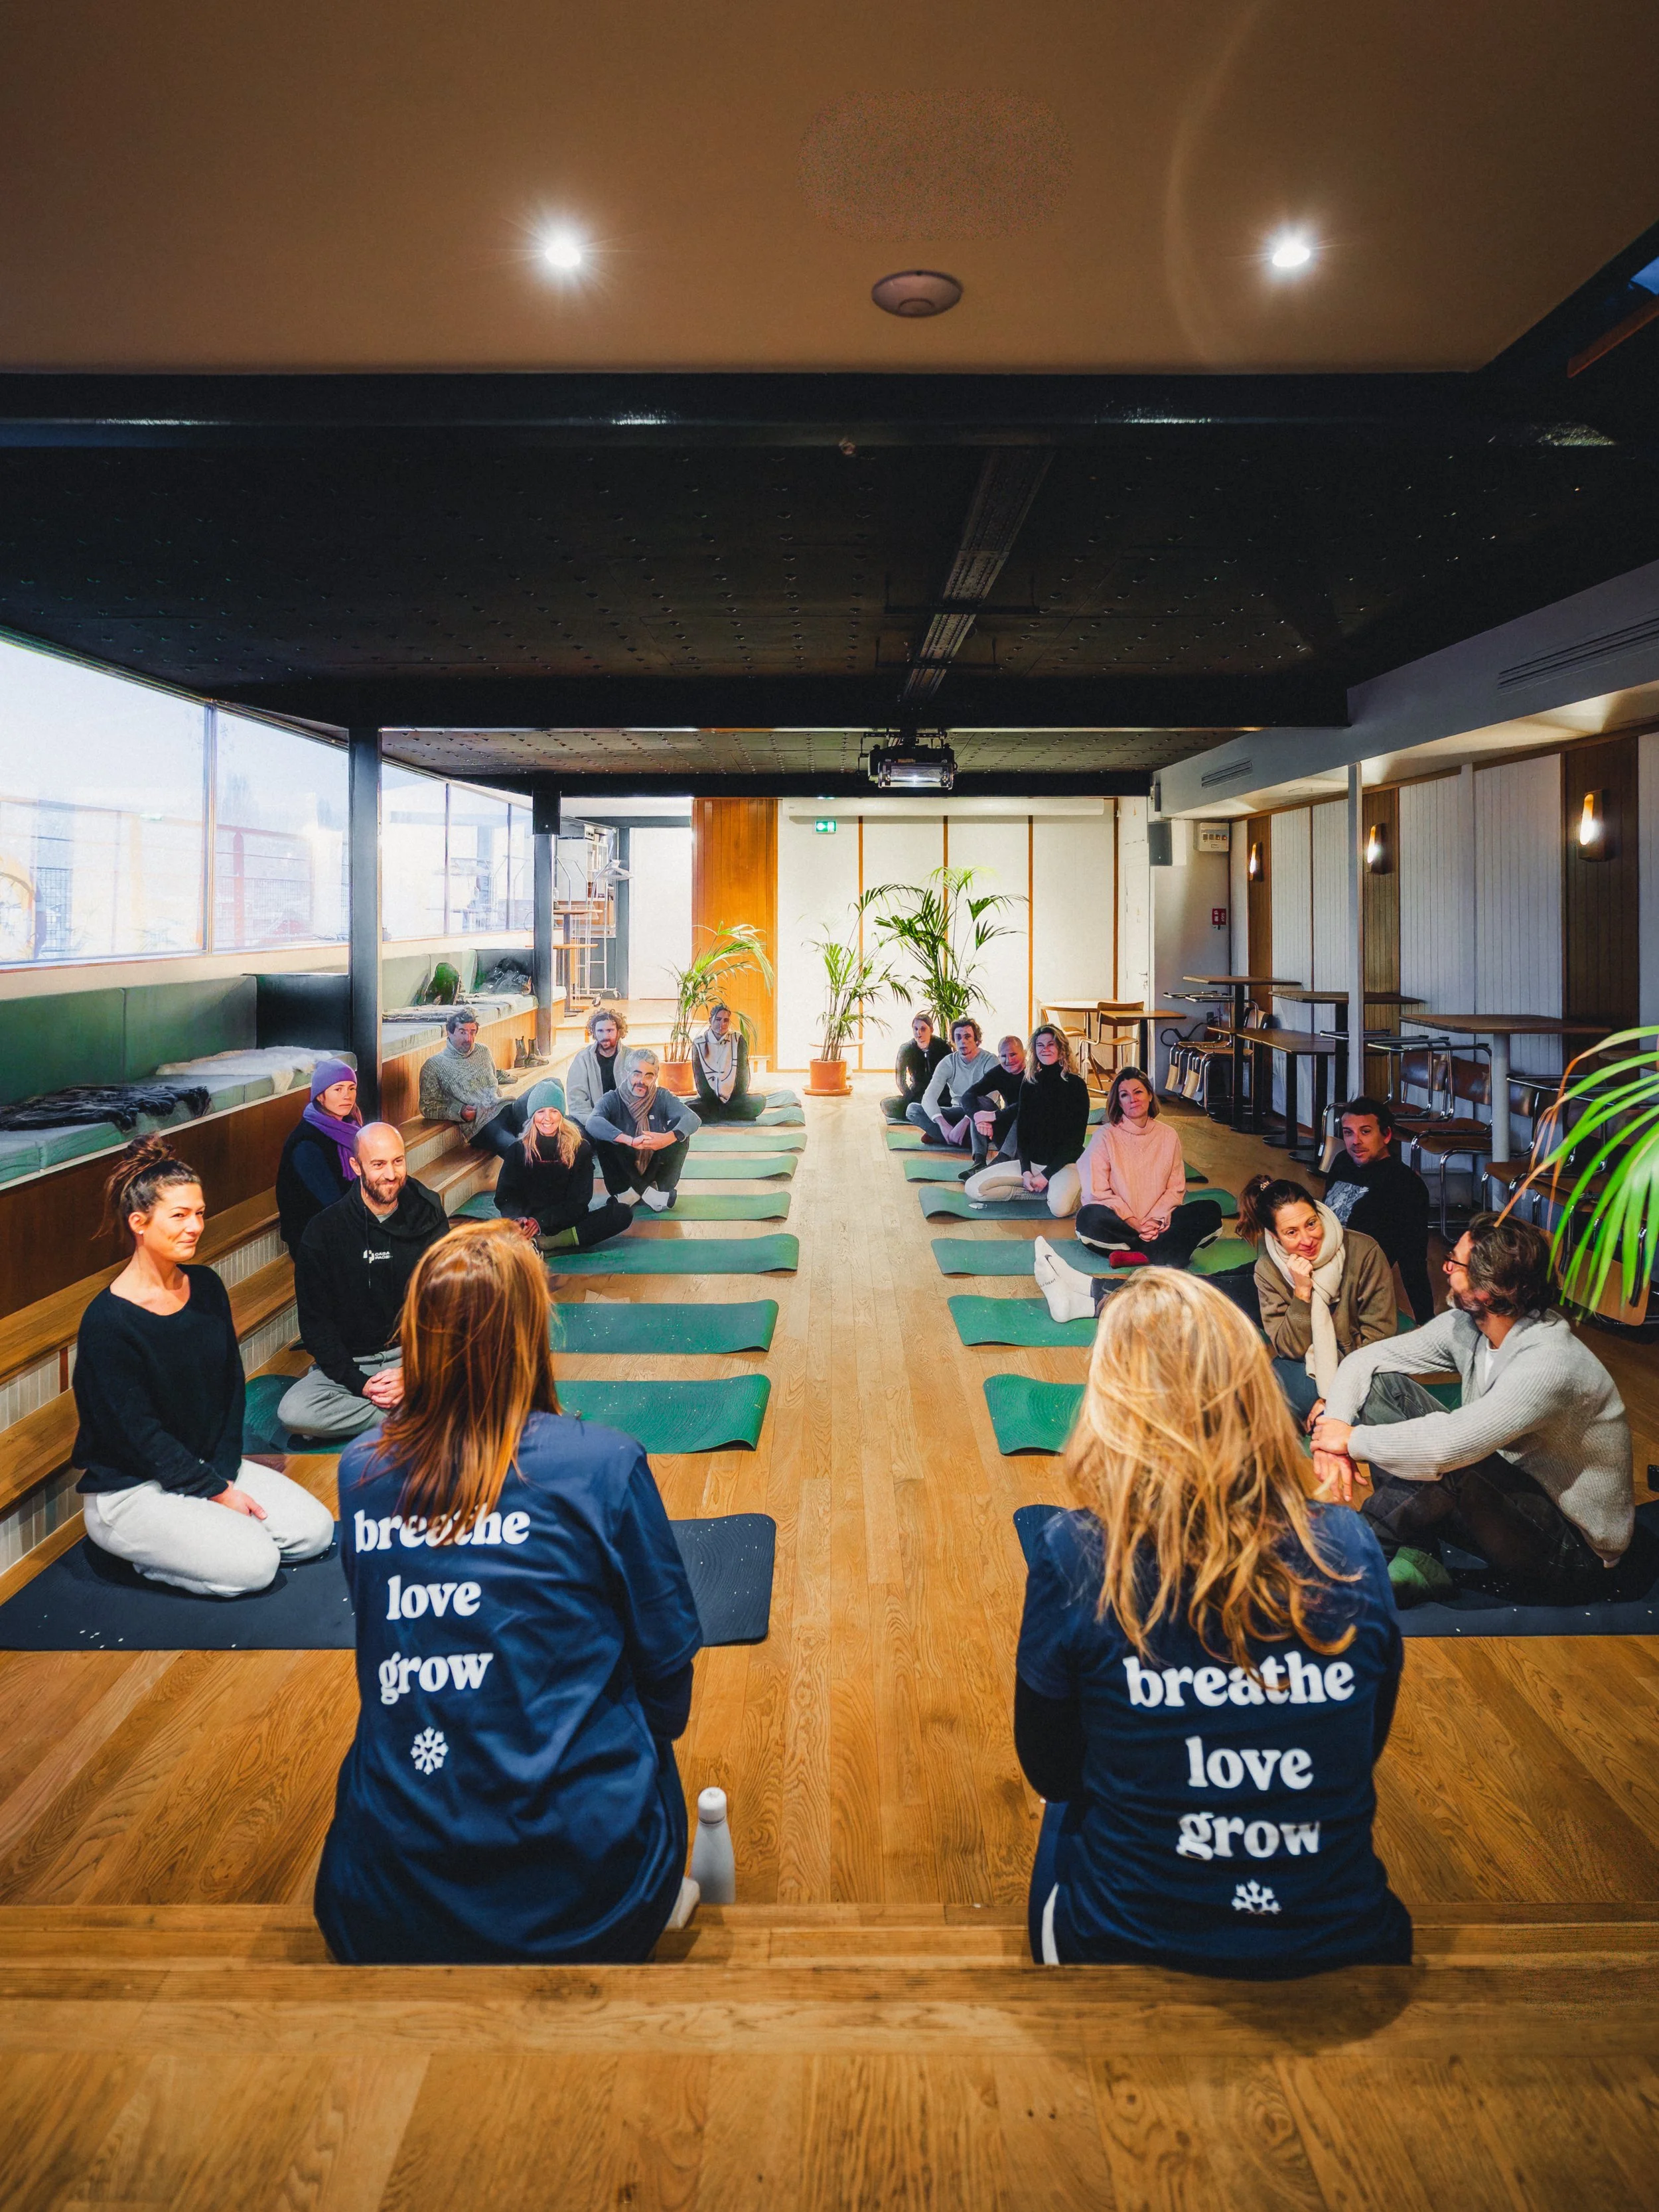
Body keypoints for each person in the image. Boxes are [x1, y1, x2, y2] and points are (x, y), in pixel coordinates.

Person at [313, 1222, 703, 1964]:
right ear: (531, 1335)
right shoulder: (603, 1463)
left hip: (383, 1900)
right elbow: (667, 1680)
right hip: (592, 1901)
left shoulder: (360, 1468)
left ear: (416, 1337)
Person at [1015, 1267, 1410, 1976]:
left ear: (1114, 1404)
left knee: (1063, 1809)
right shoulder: (1350, 1547)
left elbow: (1052, 1769)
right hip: (1341, 1940)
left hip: (1125, 1945)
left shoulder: (1076, 1553)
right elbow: (1363, 1740)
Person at [1314, 1214, 1634, 1606]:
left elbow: (1450, 1446)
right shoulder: (1468, 1325)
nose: (1446, 1269)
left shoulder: (1549, 1363)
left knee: (1457, 1455)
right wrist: (1333, 1429)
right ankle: (1412, 1549)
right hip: (1502, 1505)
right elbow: (1368, 1361)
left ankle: (1346, 1561)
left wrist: (1353, 1440)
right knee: (1384, 1388)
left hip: (1569, 1555)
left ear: (1492, 1288)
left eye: (1456, 1263)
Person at [71, 1138, 334, 1597]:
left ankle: (208, 1531)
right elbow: (138, 1436)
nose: (195, 1226)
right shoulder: (107, 1322)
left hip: (208, 1464)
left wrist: (223, 1473)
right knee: (256, 1564)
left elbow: (232, 1388)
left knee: (315, 1533)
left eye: (199, 1213)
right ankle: (139, 1557)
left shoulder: (207, 1286)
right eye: (179, 1215)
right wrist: (214, 1491)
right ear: (139, 1223)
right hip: (133, 1489)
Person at [277, 1122, 451, 1442]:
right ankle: (418, 1415)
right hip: (353, 1365)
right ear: (356, 1165)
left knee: (489, 1365)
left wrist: (415, 1372)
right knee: (294, 1412)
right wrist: (359, 1383)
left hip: (416, 1354)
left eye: (398, 1161)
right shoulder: (324, 1232)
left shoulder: (428, 1212)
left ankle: (416, 1402)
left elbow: (448, 1303)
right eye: (379, 1164)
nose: (391, 1174)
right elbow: (316, 1325)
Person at [1238, 1176, 1397, 1428]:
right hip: (1308, 1366)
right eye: (1291, 1232)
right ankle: (1326, 1422)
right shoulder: (1268, 1269)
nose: (1307, 1240)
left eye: (1311, 1223)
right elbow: (1289, 1349)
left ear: (1320, 1212)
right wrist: (1302, 1294)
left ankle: (1328, 1419)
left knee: (1361, 1410)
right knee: (1261, 1392)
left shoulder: (1363, 1251)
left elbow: (1380, 1336)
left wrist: (1335, 1396)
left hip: (1364, 1368)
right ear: (1275, 1236)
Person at [1072, 1067, 1222, 1266]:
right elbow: (1096, 1192)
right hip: (1121, 1225)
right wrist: (1134, 1223)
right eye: (1124, 1095)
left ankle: (1141, 1255)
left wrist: (1154, 1220)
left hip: (1158, 1224)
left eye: (1138, 1092)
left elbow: (1175, 1188)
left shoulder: (1168, 1135)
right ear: (1119, 1102)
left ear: (1150, 1095)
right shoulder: (1105, 1136)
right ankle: (1161, 1252)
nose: (1132, 1099)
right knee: (1088, 1218)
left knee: (1210, 1210)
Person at [1321, 1098, 1435, 1327]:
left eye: (1365, 1132)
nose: (1356, 1141)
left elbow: (1413, 1261)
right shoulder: (1343, 1161)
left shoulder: (1405, 1184)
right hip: (1319, 1259)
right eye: (1348, 1133)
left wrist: (1426, 1322)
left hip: (1353, 1283)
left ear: (1386, 1136)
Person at [966, 1025, 1091, 1215]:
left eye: (1051, 1044)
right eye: (1040, 1045)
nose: (1045, 1049)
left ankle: (1060, 1189)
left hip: (1064, 1165)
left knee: (1059, 1209)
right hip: (1032, 1164)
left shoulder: (1076, 1086)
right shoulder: (1030, 1083)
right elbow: (1022, 1134)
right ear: (1034, 1050)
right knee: (973, 1188)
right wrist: (1026, 1171)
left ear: (1061, 1048)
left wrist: (1046, 1175)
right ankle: (1039, 1193)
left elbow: (1075, 1143)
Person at [494, 1100, 633, 1250]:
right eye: (541, 1112)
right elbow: (505, 1195)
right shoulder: (517, 1150)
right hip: (527, 1222)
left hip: (565, 1220)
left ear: (562, 1115)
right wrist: (518, 1219)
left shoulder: (580, 1148)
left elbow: (579, 1202)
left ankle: (548, 1243)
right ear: (532, 1116)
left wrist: (540, 1222)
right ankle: (531, 1240)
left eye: (554, 1111)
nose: (547, 1118)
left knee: (621, 1214)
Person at [585, 1048, 701, 1210]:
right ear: (626, 1074)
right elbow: (592, 1122)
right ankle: (648, 1195)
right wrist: (630, 1141)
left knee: (680, 1133)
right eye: (636, 1074)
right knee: (606, 1135)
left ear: (655, 1078)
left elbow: (693, 1119)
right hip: (622, 1182)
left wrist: (665, 1139)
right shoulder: (613, 1098)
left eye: (649, 1076)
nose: (642, 1080)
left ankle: (640, 1193)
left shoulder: (662, 1096)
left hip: (658, 1176)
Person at [275, 1058, 362, 1256]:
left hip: (345, 1222)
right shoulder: (306, 1143)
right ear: (320, 1097)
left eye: (352, 1088)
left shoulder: (351, 1127)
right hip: (314, 1239)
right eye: (338, 1089)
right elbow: (332, 1202)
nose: (347, 1096)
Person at [908, 1017, 997, 1147]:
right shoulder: (948, 1062)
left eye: (968, 1037)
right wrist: (943, 1125)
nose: (963, 1042)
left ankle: (944, 1137)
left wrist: (965, 1122)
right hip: (957, 1112)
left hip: (981, 1114)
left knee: (984, 1108)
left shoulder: (990, 1061)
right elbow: (929, 1097)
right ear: (954, 1041)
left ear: (977, 1040)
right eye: (958, 1038)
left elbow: (991, 1097)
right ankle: (954, 1136)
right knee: (913, 1110)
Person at [418, 1009, 504, 1138]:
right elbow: (427, 1107)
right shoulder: (434, 1065)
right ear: (450, 1033)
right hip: (480, 1125)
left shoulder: (483, 1052)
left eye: (472, 1032)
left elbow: (494, 1085)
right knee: (517, 1147)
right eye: (462, 1032)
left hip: (501, 1112)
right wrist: (460, 1111)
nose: (468, 1039)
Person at [958, 1033, 1027, 1171]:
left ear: (1024, 1053)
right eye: (1003, 1056)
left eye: (1013, 1055)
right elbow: (968, 1095)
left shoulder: (1033, 1074)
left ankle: (1001, 1160)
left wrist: (994, 1116)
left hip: (1028, 1136)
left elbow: (1026, 1105)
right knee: (979, 1103)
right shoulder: (999, 1072)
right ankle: (979, 1161)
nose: (1008, 1061)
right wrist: (978, 1117)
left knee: (1024, 1112)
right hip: (1006, 1132)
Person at [691, 1003, 764, 1122]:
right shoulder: (699, 1043)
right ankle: (730, 1113)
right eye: (718, 1020)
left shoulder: (737, 1039)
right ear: (711, 1021)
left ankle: (715, 1114)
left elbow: (743, 1075)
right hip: (709, 1100)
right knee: (688, 1108)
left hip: (734, 1098)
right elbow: (699, 1079)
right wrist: (713, 1100)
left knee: (759, 1101)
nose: (722, 1024)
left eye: (726, 1021)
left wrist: (735, 1096)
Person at [564, 1007, 630, 1124]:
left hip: (627, 1122)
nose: (605, 1036)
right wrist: (596, 1123)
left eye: (610, 1030)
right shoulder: (583, 1059)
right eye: (600, 1031)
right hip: (593, 1122)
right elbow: (577, 1099)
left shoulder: (632, 1058)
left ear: (619, 1032)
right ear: (594, 1032)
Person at [883, 1013, 948, 1124]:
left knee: (953, 1105)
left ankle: (923, 1114)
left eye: (923, 1029)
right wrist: (910, 1097)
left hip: (940, 1094)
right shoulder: (906, 1049)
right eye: (916, 1029)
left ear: (931, 1030)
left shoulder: (942, 1046)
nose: (919, 1034)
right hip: (918, 1094)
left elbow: (951, 1074)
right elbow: (900, 1080)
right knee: (887, 1105)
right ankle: (925, 1113)